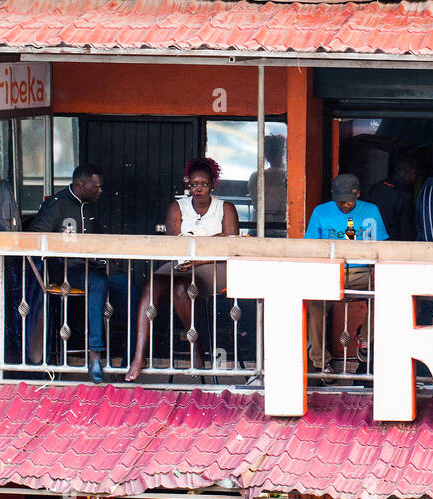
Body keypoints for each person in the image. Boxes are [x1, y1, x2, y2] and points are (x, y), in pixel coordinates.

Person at [125, 158, 239, 382]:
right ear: (188, 184)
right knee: (151, 287)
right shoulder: (177, 207)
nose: (198, 189)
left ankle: (196, 349)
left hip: (213, 266)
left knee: (182, 290)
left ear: (212, 185)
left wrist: (200, 257)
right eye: (194, 184)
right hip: (182, 263)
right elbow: (174, 243)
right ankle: (139, 356)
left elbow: (231, 244)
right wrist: (211, 241)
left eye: (204, 184)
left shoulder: (225, 207)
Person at [26, 163, 132, 383]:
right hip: (66, 270)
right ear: (80, 184)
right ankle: (95, 355)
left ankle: (130, 359)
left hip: (94, 265)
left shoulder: (90, 204)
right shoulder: (56, 205)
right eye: (96, 187)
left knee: (130, 292)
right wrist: (58, 239)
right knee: (98, 282)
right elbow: (35, 236)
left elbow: (98, 237)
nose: (100, 191)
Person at [300, 173, 388, 375]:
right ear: (332, 194)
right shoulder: (321, 212)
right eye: (339, 200)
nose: (344, 205)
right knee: (315, 305)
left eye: (349, 200)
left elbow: (382, 247)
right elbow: (309, 247)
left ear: (358, 194)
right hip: (329, 271)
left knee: (386, 293)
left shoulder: (371, 211)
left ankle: (365, 339)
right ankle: (321, 362)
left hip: (362, 271)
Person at [367, 155, 416, 242]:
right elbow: (406, 225)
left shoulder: (378, 186)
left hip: (373, 235)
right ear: (411, 173)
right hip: (393, 240)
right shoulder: (404, 193)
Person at [246, 134, 287, 236]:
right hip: (282, 228)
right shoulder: (287, 176)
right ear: (283, 153)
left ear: (266, 155)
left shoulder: (256, 176)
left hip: (257, 227)